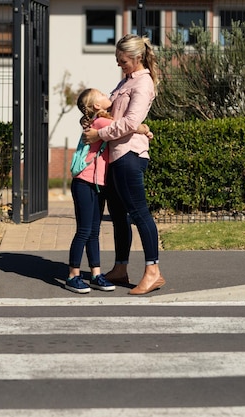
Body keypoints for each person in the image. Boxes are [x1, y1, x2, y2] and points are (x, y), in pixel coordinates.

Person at [82, 34, 165, 296]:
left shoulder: (143, 83)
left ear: (137, 58)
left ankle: (153, 272)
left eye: (124, 61)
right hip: (115, 156)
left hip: (130, 156)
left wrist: (99, 135)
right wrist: (91, 121)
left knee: (139, 213)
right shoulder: (125, 81)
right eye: (118, 61)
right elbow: (113, 115)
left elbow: (129, 122)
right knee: (119, 217)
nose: (120, 65)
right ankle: (120, 267)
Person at [66, 87, 151, 294]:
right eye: (103, 96)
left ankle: (96, 274)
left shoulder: (99, 121)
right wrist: (144, 129)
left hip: (98, 185)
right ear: (96, 105)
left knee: (94, 232)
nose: (107, 97)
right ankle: (73, 275)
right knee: (84, 231)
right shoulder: (100, 122)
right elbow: (125, 126)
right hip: (84, 183)